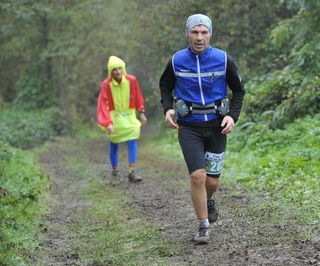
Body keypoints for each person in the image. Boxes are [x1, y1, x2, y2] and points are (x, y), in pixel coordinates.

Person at [159, 14, 245, 244]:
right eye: (194, 32)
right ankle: (203, 226)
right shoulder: (176, 61)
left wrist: (232, 117)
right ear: (188, 34)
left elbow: (239, 91)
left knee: (211, 182)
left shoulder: (224, 60)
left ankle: (210, 199)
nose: (199, 37)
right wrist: (168, 108)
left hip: (217, 127)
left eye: (204, 32)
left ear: (210, 34)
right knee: (198, 176)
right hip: (188, 127)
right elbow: (165, 86)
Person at [97, 55, 147, 185]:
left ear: (123, 69)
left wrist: (141, 112)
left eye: (120, 69)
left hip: (129, 116)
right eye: (115, 70)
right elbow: (102, 104)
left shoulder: (132, 80)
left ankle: (132, 171)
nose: (118, 72)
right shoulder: (106, 85)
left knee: (132, 142)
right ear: (110, 72)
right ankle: (115, 173)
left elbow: (137, 98)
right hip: (114, 118)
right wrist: (107, 122)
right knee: (114, 144)